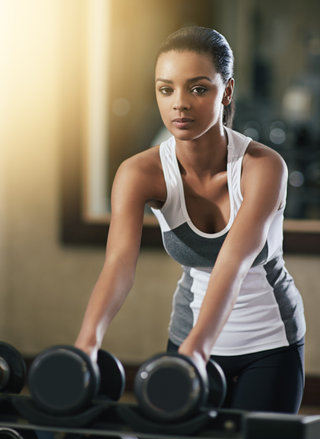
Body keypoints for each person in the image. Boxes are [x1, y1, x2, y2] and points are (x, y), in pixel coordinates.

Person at [75, 26, 306, 414]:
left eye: (197, 88)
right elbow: (118, 265)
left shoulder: (263, 167)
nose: (179, 103)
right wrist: (86, 345)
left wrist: (197, 352)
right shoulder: (139, 173)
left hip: (269, 344)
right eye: (166, 89)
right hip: (187, 339)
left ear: (226, 91)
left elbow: (232, 263)